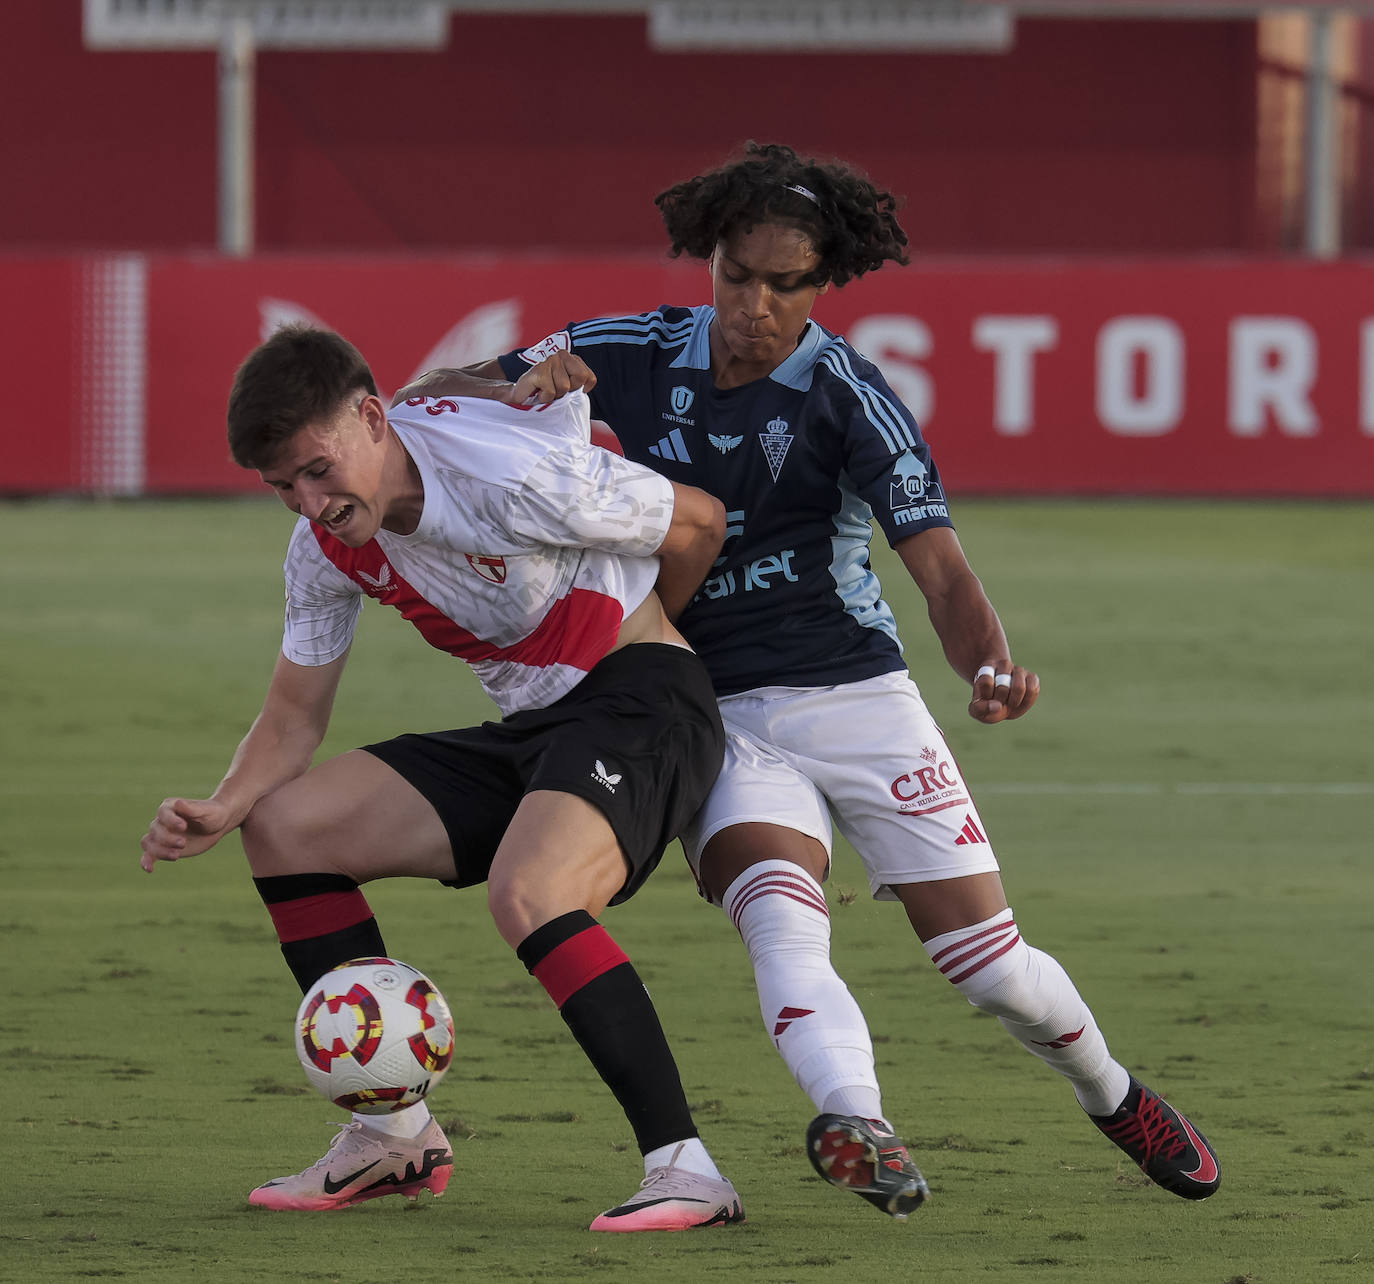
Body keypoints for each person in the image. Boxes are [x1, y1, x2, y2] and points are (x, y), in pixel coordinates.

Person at [401, 141, 1222, 1217]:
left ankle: (1114, 1095)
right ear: (710, 264)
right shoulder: (625, 352)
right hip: (713, 707)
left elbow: (940, 568)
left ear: (823, 284)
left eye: (783, 284)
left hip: (857, 697)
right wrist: (512, 383)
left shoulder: (848, 395)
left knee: (988, 964)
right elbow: (424, 401)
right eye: (737, 275)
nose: (754, 302)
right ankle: (859, 1121)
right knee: (784, 919)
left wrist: (989, 667)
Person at [138, 324, 748, 1233]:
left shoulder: (508, 477)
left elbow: (699, 519)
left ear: (373, 421)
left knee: (529, 892)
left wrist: (663, 639)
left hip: (644, 704)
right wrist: (223, 807)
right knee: (287, 828)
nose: (308, 504)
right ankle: (396, 1140)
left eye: (317, 469)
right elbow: (294, 716)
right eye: (282, 488)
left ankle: (686, 1167)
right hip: (538, 735)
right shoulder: (326, 548)